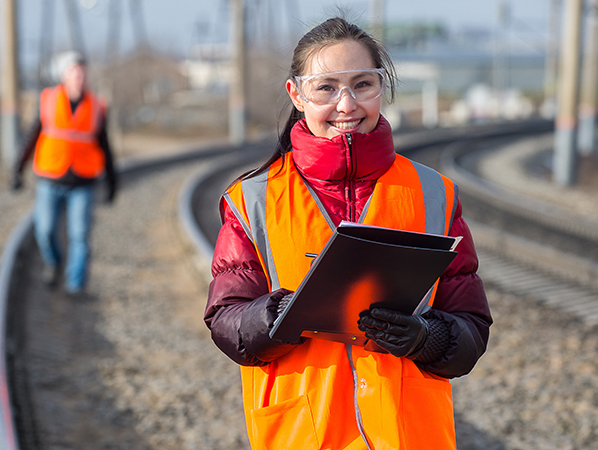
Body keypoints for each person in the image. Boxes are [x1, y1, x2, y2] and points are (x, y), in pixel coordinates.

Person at [203, 18, 492, 450]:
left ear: (382, 89)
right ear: (296, 94)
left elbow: (471, 326)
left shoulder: (435, 194)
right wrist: (277, 316)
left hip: (409, 435)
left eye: (363, 84)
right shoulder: (254, 200)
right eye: (326, 88)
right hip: (305, 434)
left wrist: (426, 338)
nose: (346, 104)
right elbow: (226, 322)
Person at [12, 51, 117, 295]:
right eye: (74, 72)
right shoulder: (48, 100)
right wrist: (17, 170)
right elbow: (30, 137)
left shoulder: (96, 106)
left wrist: (112, 183)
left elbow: (105, 146)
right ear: (64, 75)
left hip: (83, 180)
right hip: (50, 177)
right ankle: (54, 262)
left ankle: (75, 285)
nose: (79, 77)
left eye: (82, 72)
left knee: (79, 235)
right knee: (45, 230)